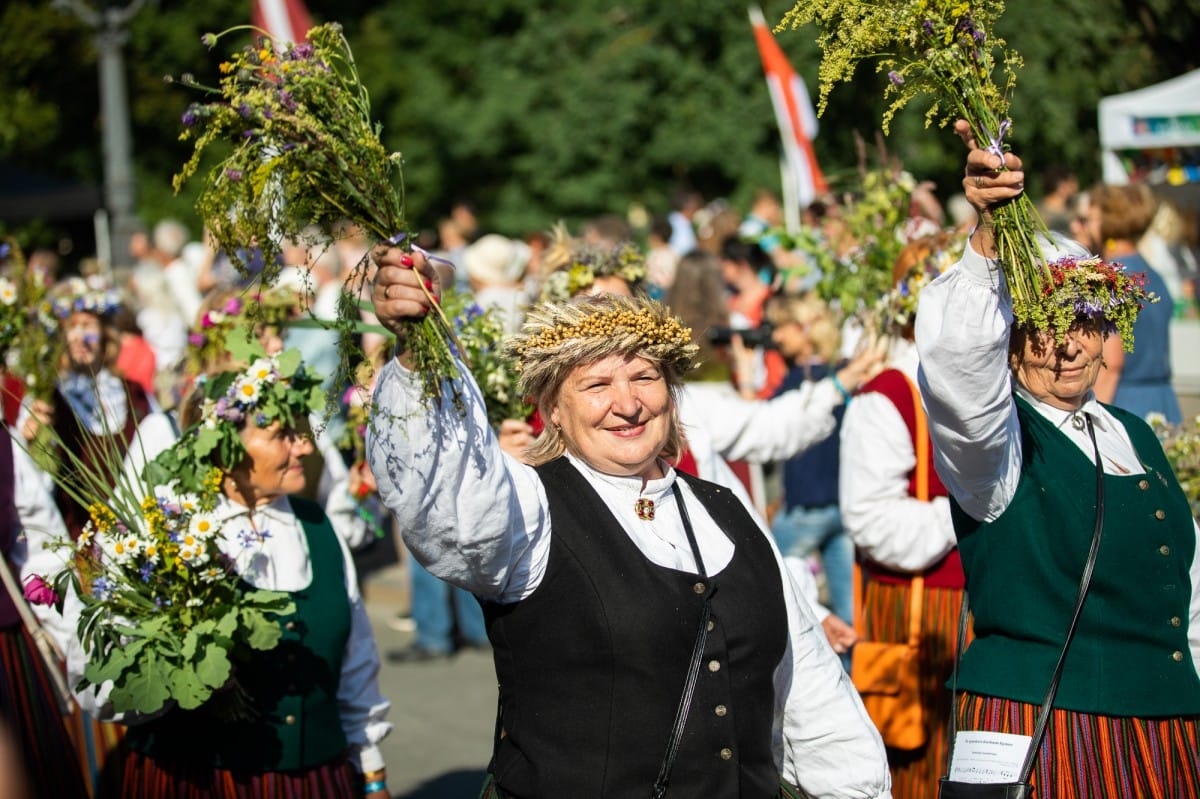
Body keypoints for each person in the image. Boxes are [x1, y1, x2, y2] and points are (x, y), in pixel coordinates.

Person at [367, 248, 892, 799]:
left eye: (644, 377)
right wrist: (417, 350)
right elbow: (448, 505)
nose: (627, 404)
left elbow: (806, 683)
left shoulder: (724, 508)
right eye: (596, 386)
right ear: (553, 409)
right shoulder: (530, 508)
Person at [914, 120, 1200, 796]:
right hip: (1051, 729)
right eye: (1039, 325)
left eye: (1085, 320)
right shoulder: (996, 443)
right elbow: (958, 367)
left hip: (1168, 729)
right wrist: (987, 234)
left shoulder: (1137, 432)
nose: (1066, 346)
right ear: (1008, 342)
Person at [70, 352, 392, 798]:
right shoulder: (169, 537)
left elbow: (356, 663)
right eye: (282, 434)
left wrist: (371, 772)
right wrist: (173, 668)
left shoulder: (319, 529)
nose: (304, 447)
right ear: (226, 446)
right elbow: (97, 686)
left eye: (300, 432)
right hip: (200, 780)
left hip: (315, 780)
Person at [838, 234, 965, 799]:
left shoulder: (988, 385)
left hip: (984, 611)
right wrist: (964, 513)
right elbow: (871, 522)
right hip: (921, 615)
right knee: (920, 769)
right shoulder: (888, 395)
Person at [764, 291, 855, 663]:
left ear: (804, 328)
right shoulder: (844, 375)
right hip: (844, 506)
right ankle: (850, 686)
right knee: (847, 615)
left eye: (783, 327)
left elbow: (766, 425)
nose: (777, 337)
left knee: (781, 598)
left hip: (804, 507)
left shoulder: (798, 381)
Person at [1075, 183, 1182, 423]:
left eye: (1090, 219)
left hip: (1124, 402)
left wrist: (1093, 421)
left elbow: (1112, 363)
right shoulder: (1154, 276)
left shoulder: (1109, 280)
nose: (1084, 226)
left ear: (1109, 222)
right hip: (1164, 401)